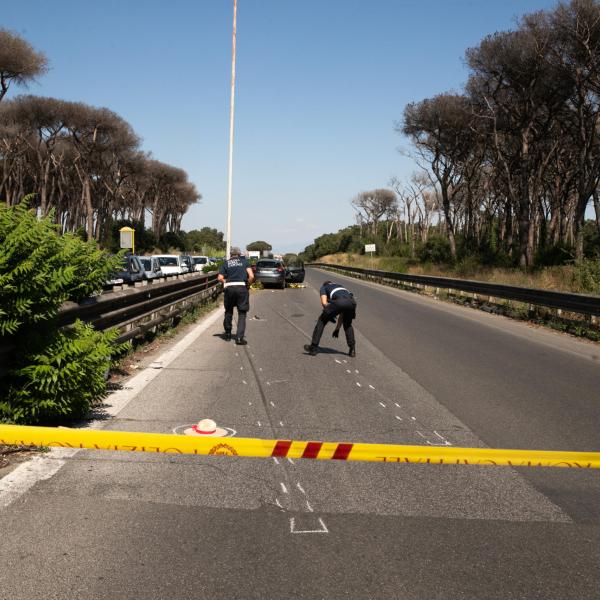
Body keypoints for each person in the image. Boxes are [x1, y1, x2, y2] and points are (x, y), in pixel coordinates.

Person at [304, 280, 357, 357]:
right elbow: (342, 313)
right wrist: (337, 329)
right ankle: (352, 350)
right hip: (352, 303)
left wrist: (329, 314)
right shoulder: (340, 286)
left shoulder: (324, 287)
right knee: (348, 324)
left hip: (339, 301)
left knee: (321, 320)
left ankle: (313, 348)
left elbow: (324, 303)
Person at [217, 247, 254, 344]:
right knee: (242, 314)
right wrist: (248, 284)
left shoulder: (226, 263)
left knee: (228, 311)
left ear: (230, 254)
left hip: (229, 289)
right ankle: (239, 338)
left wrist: (226, 281)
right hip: (242, 288)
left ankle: (228, 334)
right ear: (239, 254)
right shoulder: (244, 262)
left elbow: (220, 278)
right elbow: (251, 276)